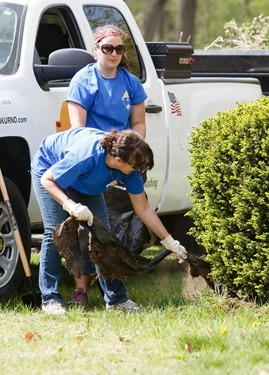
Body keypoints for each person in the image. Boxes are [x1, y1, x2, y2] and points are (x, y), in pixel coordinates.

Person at [31, 128, 187, 315]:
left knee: (104, 235)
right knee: (54, 231)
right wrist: (70, 205)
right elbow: (48, 180)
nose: (139, 171)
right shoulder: (85, 156)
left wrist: (169, 240)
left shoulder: (130, 169)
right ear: (119, 161)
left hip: (84, 181)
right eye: (136, 166)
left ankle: (117, 300)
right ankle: (50, 299)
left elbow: (143, 208)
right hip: (49, 169)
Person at [66, 24, 147, 303]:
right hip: (95, 163)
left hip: (123, 163)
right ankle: (81, 289)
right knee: (83, 228)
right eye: (107, 48)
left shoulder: (130, 82)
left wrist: (130, 157)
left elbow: (138, 123)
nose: (113, 53)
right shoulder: (83, 80)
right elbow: (77, 129)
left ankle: (113, 287)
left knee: (116, 228)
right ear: (96, 49)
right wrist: (106, 161)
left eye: (119, 49)